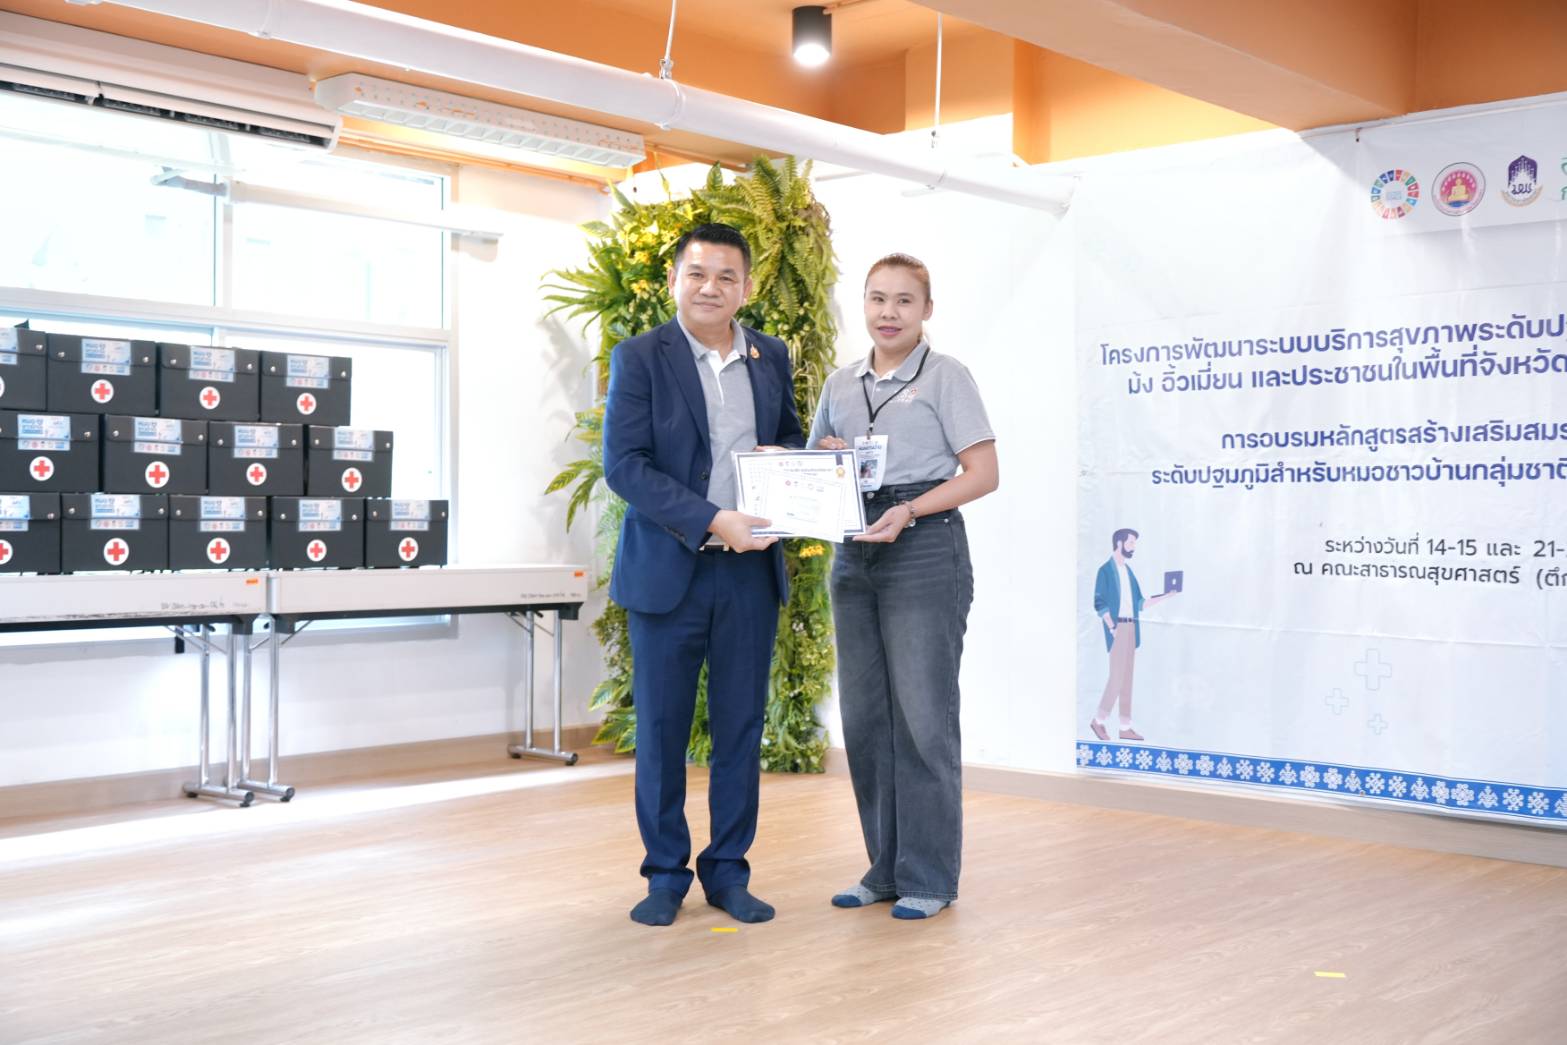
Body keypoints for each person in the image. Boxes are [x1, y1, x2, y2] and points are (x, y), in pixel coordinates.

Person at [602, 223, 805, 927]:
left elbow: (786, 439)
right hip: (668, 570)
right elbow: (625, 466)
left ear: (746, 286)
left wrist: (809, 463)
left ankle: (728, 871)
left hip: (749, 574)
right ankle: (665, 875)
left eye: (725, 276)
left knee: (740, 727)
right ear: (673, 281)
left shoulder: (769, 355)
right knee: (661, 729)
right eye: (697, 273)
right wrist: (714, 518)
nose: (710, 287)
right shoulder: (639, 357)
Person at [810, 253, 999, 920]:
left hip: (923, 544)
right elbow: (817, 465)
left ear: (926, 310)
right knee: (865, 719)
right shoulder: (840, 383)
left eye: (903, 301)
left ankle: (929, 876)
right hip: (854, 548)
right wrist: (815, 462)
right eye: (877, 299)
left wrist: (910, 510)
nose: (888, 312)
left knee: (922, 719)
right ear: (862, 304)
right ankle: (884, 869)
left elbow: (983, 473)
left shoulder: (946, 376)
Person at [1090, 527, 1176, 741]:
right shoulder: (1105, 571)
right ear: (1119, 543)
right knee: (1116, 677)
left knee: (1127, 678)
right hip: (1117, 627)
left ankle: (1124, 727)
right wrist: (1111, 627)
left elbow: (1139, 604)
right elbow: (1099, 603)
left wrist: (1165, 596)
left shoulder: (1128, 572)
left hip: (1131, 628)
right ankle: (1098, 721)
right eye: (1131, 543)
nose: (1133, 547)